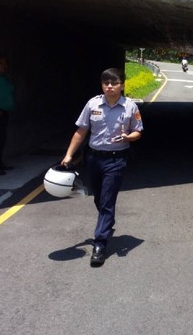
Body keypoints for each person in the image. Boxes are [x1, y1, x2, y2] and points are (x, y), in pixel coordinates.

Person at [61, 68, 143, 267]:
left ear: (122, 85)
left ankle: (100, 244)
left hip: (116, 160)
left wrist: (128, 137)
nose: (109, 86)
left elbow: (138, 132)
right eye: (106, 83)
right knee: (98, 197)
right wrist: (69, 154)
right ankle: (107, 221)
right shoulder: (93, 104)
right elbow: (81, 131)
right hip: (93, 159)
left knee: (107, 200)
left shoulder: (130, 107)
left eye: (114, 83)